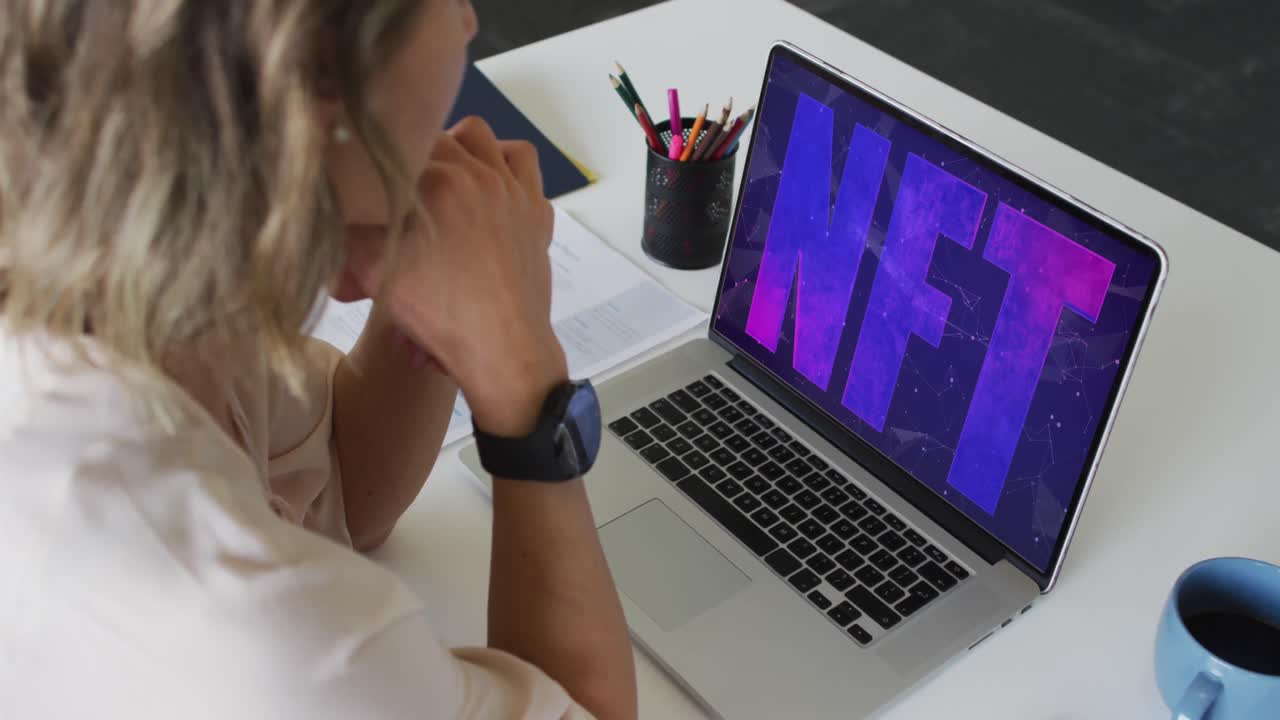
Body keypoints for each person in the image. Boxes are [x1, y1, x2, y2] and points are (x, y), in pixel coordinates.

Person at [0, 1, 638, 718]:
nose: (467, 21)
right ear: (312, 75)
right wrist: (525, 384)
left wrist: (435, 298)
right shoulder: (289, 649)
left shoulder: (114, 267)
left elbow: (344, 480)